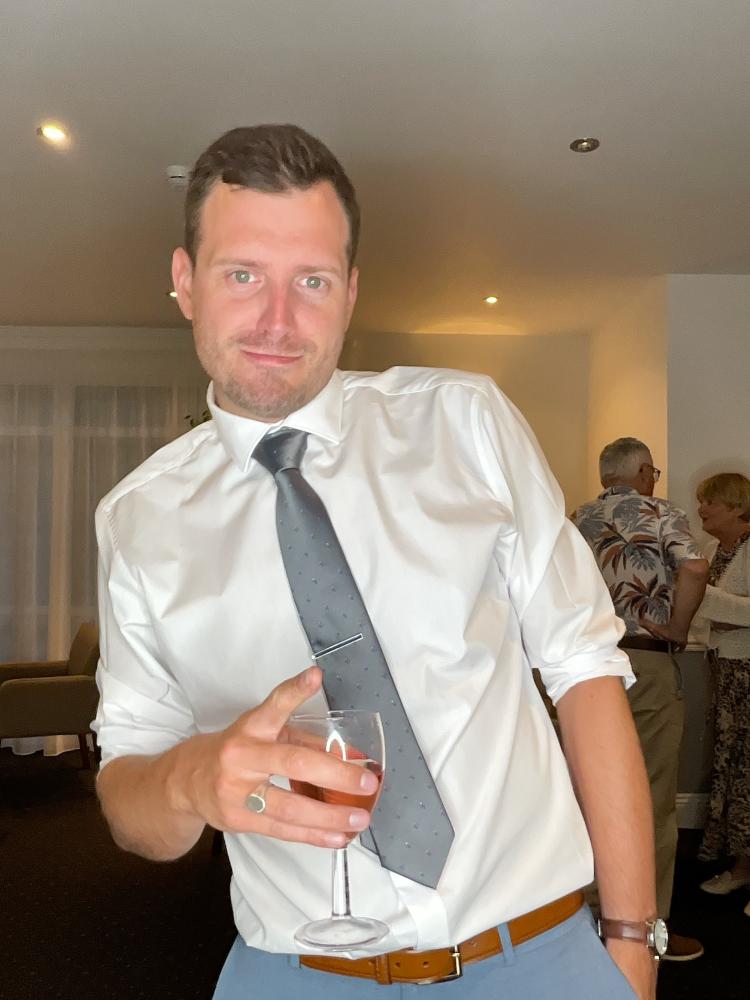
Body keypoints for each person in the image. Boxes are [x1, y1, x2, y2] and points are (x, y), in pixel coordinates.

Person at [94, 125, 660, 1000]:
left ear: (350, 292)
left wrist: (631, 944)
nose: (277, 320)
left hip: (542, 957)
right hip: (295, 974)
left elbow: (585, 671)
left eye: (312, 281)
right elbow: (130, 789)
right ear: (184, 281)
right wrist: (188, 780)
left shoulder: (466, 422)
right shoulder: (137, 519)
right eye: (242, 275)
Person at [571, 438, 709, 961]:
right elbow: (694, 568)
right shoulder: (659, 512)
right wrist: (678, 628)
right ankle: (645, 932)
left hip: (580, 671)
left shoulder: (576, 519)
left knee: (585, 790)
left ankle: (585, 920)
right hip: (644, 661)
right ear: (646, 472)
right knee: (649, 793)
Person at [692, 473, 750, 915]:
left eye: (710, 501)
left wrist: (703, 596)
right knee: (733, 767)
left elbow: (712, 605)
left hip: (746, 672)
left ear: (737, 506)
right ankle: (742, 866)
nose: (702, 508)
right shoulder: (714, 551)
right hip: (725, 671)